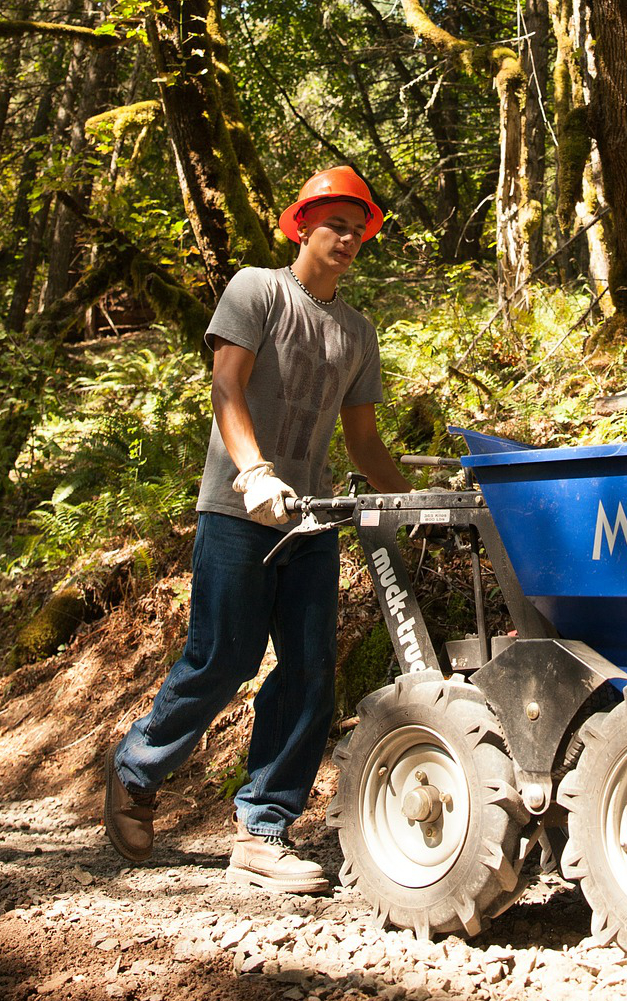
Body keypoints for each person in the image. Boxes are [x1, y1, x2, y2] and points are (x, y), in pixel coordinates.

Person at [103, 166, 412, 892]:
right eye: (334, 224)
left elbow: (364, 443)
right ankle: (136, 769)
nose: (347, 238)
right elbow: (227, 385)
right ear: (302, 225)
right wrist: (254, 471)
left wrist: (414, 502)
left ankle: (262, 829)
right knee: (224, 657)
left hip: (311, 520)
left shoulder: (358, 331)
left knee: (309, 672)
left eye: (358, 228)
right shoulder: (256, 290)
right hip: (239, 509)